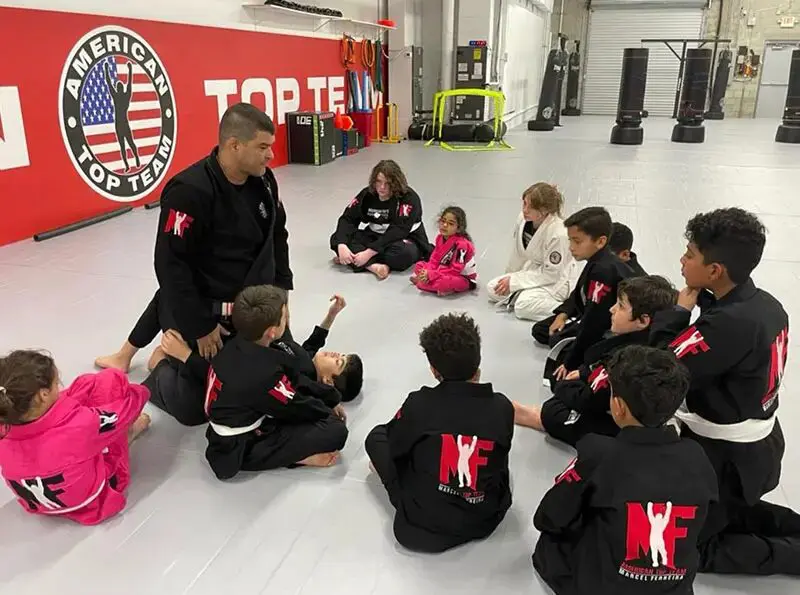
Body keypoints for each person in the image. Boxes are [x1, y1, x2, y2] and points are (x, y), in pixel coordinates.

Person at [649, 207, 800, 576]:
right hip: (757, 447)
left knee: (683, 547)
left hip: (730, 460)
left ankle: (790, 557)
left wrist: (677, 313)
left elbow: (658, 371)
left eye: (689, 254)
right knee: (733, 512)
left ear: (715, 270)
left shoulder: (726, 324)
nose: (681, 261)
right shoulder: (767, 306)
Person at [94, 102, 293, 373]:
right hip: (211, 305)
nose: (271, 155)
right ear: (234, 145)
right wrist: (200, 326)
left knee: (289, 365)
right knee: (212, 386)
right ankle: (157, 356)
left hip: (254, 301)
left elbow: (277, 236)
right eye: (262, 147)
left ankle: (131, 354)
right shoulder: (189, 192)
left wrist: (281, 295)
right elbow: (170, 265)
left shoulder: (265, 182)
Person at [532, 345, 718, 595]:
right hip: (674, 587)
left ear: (618, 406)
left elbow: (548, 517)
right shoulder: (697, 456)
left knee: (550, 544)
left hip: (603, 587)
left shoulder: (598, 452)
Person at [365, 313, 514, 553]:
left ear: (434, 370)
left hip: (421, 527)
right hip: (483, 519)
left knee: (377, 436)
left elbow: (396, 449)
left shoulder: (418, 403)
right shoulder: (503, 407)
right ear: (478, 363)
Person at [205, 285, 348, 481]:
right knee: (336, 431)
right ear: (272, 331)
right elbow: (296, 405)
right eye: (283, 317)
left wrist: (330, 397)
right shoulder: (263, 374)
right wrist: (326, 411)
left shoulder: (241, 344)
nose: (287, 318)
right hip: (236, 445)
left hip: (241, 412)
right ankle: (293, 458)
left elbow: (295, 379)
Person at [515, 275, 677, 447]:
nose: (612, 310)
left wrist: (564, 385)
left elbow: (588, 399)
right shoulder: (640, 342)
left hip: (622, 423)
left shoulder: (629, 360)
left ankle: (538, 417)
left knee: (553, 411)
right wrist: (584, 373)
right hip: (615, 406)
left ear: (643, 320)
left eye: (621, 306)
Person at [0, 350, 151, 525]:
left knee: (84, 386)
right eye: (56, 383)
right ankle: (129, 433)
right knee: (111, 380)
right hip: (93, 502)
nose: (59, 386)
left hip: (36, 504)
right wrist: (142, 391)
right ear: (43, 394)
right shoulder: (80, 424)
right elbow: (127, 410)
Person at [532, 206, 633, 378]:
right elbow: (581, 295)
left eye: (577, 242)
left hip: (612, 330)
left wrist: (570, 363)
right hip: (591, 317)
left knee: (560, 352)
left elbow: (593, 323)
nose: (571, 247)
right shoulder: (598, 261)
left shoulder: (603, 271)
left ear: (600, 242)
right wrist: (563, 314)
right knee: (542, 330)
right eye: (570, 240)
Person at [330, 160, 433, 280]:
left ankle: (356, 260)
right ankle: (374, 267)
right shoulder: (367, 194)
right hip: (375, 235)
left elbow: (399, 230)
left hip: (403, 238)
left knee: (404, 254)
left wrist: (368, 253)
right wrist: (342, 245)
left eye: (387, 183)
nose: (382, 187)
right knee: (337, 238)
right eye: (378, 182)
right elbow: (348, 218)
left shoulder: (409, 198)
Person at [486, 183, 572, 321]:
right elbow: (518, 254)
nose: (525, 210)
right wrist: (509, 278)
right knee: (493, 288)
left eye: (530, 207)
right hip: (532, 271)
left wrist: (515, 282)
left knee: (522, 306)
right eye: (524, 203)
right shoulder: (522, 219)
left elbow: (552, 274)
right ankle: (528, 296)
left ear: (544, 211)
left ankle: (568, 312)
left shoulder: (559, 233)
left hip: (556, 281)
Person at [271, 295, 364, 401]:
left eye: (338, 361)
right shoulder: (309, 364)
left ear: (328, 381)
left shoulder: (301, 380)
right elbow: (314, 343)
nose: (335, 354)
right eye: (341, 354)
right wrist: (331, 315)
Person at [411, 206, 477, 297]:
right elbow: (434, 260)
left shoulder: (462, 245)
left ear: (458, 228)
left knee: (442, 282)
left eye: (451, 223)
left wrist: (431, 275)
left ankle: (424, 282)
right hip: (443, 269)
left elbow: (455, 270)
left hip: (461, 277)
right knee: (419, 265)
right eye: (443, 221)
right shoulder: (439, 238)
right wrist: (428, 271)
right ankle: (427, 282)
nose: (445, 225)